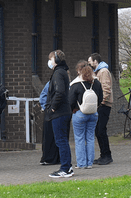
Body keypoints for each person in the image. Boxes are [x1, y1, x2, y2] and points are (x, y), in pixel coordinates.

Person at [44, 50, 74, 178]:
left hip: (60, 113)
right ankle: (67, 166)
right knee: (63, 141)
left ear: (56, 59)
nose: (49, 61)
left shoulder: (58, 73)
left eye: (50, 59)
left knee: (61, 141)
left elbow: (59, 92)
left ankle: (65, 168)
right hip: (64, 112)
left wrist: (52, 108)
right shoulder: (63, 72)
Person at [68, 62, 103, 170]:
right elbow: (100, 98)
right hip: (93, 114)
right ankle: (89, 163)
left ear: (80, 71)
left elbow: (71, 101)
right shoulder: (96, 83)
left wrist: (74, 109)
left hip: (79, 114)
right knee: (90, 138)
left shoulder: (76, 84)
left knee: (79, 139)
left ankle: (81, 163)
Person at [87, 53, 115, 165]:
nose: (89, 64)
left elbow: (106, 89)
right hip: (101, 104)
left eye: (90, 61)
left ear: (95, 61)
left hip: (104, 105)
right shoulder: (98, 72)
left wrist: (101, 103)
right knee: (98, 130)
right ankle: (104, 154)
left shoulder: (103, 72)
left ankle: (107, 155)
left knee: (101, 130)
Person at [38, 77, 58, 167]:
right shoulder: (64, 84)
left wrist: (46, 108)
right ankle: (52, 158)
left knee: (48, 136)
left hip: (50, 112)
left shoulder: (50, 83)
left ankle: (48, 157)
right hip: (55, 113)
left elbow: (43, 96)